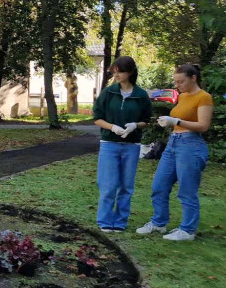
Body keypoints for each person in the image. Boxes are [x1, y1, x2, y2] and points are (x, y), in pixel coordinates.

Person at [137, 64, 213, 241]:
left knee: (187, 190)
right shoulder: (183, 96)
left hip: (191, 145)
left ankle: (187, 230)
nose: (177, 85)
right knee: (159, 186)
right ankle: (159, 223)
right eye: (176, 81)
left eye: (181, 81)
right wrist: (169, 122)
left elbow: (203, 125)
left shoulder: (204, 97)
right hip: (173, 143)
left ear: (193, 78)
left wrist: (176, 120)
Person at [91, 56, 153, 232]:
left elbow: (146, 120)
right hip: (109, 144)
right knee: (108, 185)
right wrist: (112, 127)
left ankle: (120, 221)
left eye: (120, 71)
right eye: (114, 71)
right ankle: (104, 220)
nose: (116, 74)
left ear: (131, 72)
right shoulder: (108, 93)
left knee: (126, 186)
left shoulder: (141, 95)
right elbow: (97, 118)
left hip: (131, 145)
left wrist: (135, 125)